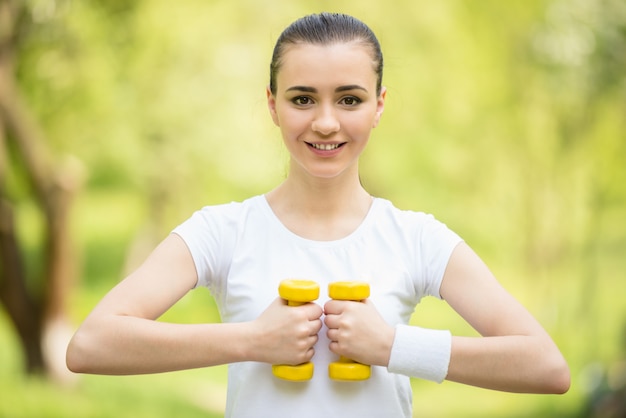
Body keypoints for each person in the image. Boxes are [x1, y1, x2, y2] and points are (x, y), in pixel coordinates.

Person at [66, 12, 570, 417]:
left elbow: (545, 366)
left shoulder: (417, 238)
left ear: (379, 105)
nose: (325, 122)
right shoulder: (221, 232)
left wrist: (393, 346)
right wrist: (251, 340)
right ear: (272, 105)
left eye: (349, 99)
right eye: (302, 98)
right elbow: (91, 344)